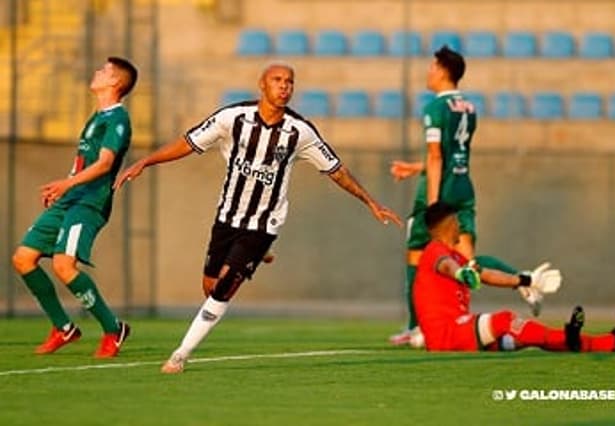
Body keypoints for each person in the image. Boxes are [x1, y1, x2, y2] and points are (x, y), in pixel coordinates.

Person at [114, 62, 403, 374]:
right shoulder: (232, 118)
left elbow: (336, 170)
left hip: (264, 223)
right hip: (228, 216)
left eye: (289, 81)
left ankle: (180, 355)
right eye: (277, 80)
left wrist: (370, 201)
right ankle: (257, 255)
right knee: (210, 287)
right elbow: (188, 142)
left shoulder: (299, 131)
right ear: (262, 85)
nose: (284, 86)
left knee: (224, 287)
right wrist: (146, 161)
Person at [389, 46, 539, 346]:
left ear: (443, 71)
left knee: (417, 259)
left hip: (440, 192)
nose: (428, 72)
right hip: (463, 187)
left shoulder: (434, 108)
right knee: (466, 260)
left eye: (432, 67)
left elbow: (435, 157)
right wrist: (415, 168)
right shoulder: (468, 108)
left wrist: (432, 205)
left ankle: (415, 327)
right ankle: (522, 279)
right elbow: (454, 154)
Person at [11, 57, 138, 357]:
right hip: (70, 197)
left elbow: (105, 164)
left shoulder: (118, 119)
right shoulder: (96, 117)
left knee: (63, 265)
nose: (97, 71)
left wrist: (66, 185)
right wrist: (64, 187)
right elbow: (84, 160)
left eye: (104, 71)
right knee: (23, 259)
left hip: (89, 202)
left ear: (115, 83)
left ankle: (113, 328)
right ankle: (63, 327)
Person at [414, 201, 615, 353]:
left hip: (456, 333)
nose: (460, 227)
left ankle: (611, 342)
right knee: (505, 321)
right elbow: (447, 267)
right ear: (450, 223)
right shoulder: (436, 251)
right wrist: (460, 273)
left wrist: (526, 280)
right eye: (457, 222)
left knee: (520, 338)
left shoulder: (455, 256)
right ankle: (571, 336)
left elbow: (487, 275)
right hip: (446, 335)